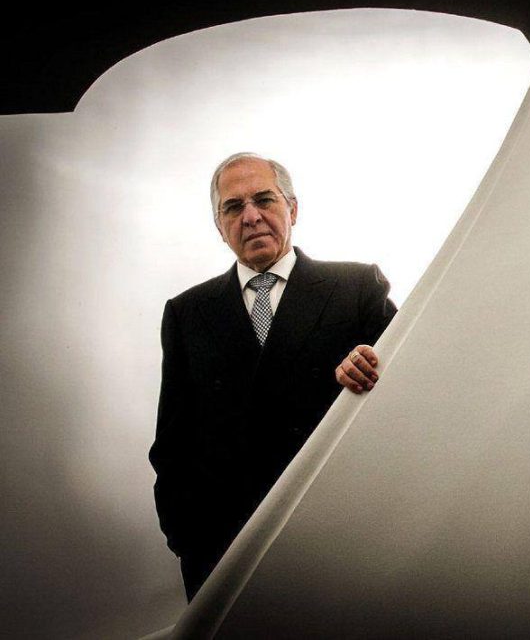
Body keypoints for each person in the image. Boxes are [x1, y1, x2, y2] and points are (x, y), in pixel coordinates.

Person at [148, 152, 397, 601]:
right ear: (219, 226)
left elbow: (410, 391)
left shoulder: (357, 287)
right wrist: (187, 540)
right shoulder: (186, 313)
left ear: (292, 209)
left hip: (341, 542)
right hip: (224, 553)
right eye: (232, 207)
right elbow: (173, 442)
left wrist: (373, 364)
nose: (250, 217)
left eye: (264, 200)